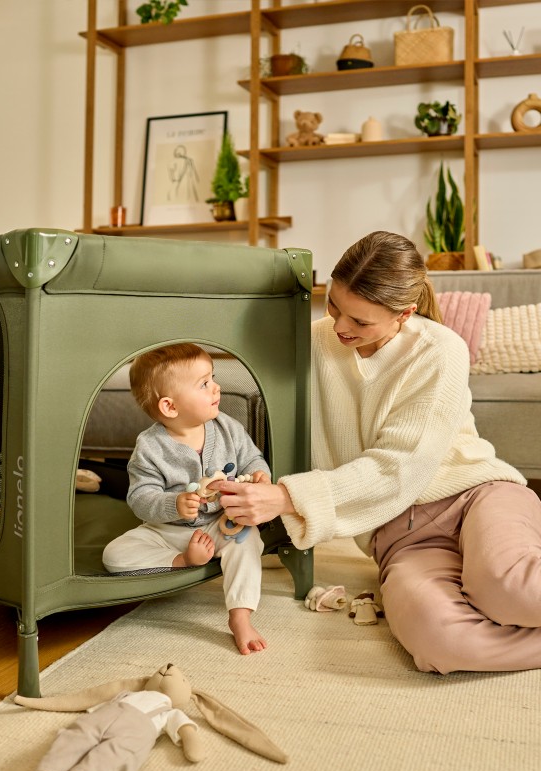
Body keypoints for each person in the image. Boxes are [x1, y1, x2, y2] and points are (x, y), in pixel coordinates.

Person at [210, 230, 541, 674]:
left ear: (404, 314)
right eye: (333, 307)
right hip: (401, 537)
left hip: (474, 496)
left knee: (509, 590)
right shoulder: (312, 342)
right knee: (439, 641)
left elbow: (401, 466)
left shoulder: (441, 349)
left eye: (361, 322)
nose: (341, 327)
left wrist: (287, 497)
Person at [102, 344, 271, 656]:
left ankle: (240, 616)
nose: (216, 386)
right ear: (169, 407)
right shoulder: (150, 447)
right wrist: (173, 504)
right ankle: (184, 563)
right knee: (114, 556)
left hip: (222, 525)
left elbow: (252, 460)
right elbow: (139, 497)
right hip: (169, 532)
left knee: (249, 542)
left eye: (213, 377)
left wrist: (260, 475)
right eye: (204, 384)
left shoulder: (228, 428)